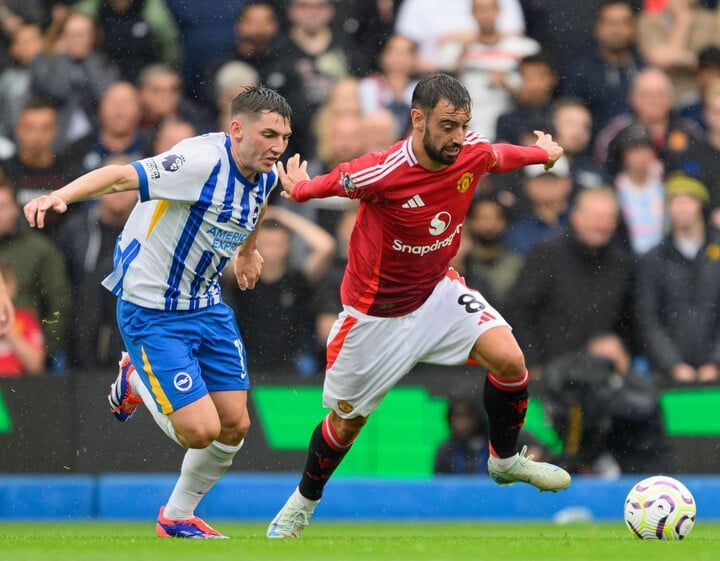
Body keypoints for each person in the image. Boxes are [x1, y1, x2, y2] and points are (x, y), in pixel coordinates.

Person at [266, 73, 571, 539]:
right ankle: (302, 503)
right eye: (448, 126)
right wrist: (301, 188)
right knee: (346, 426)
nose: (457, 137)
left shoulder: (469, 151)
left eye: (463, 125)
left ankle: (505, 460)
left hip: (436, 292)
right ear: (418, 119)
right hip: (375, 317)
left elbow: (499, 155)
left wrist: (541, 154)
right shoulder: (385, 169)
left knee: (510, 359)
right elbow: (335, 182)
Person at [23, 86, 294, 539]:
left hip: (206, 305)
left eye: (284, 137)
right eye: (268, 134)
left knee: (235, 425)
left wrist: (248, 251)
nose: (278, 146)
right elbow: (117, 176)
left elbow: (256, 204)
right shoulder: (198, 164)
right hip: (152, 308)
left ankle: (176, 517)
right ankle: (132, 378)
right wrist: (61, 196)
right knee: (199, 431)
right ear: (236, 129)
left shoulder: (264, 171)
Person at [635, 173, 720, 387]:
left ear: (701, 205)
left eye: (688, 199)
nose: (681, 207)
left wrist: (716, 362)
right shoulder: (653, 259)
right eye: (674, 200)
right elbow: (648, 318)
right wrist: (673, 364)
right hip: (669, 377)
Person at [0, 261, 44, 375]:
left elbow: (36, 365)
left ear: (12, 288)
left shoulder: (25, 318)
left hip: (19, 386)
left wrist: (7, 328)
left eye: (4, 287)